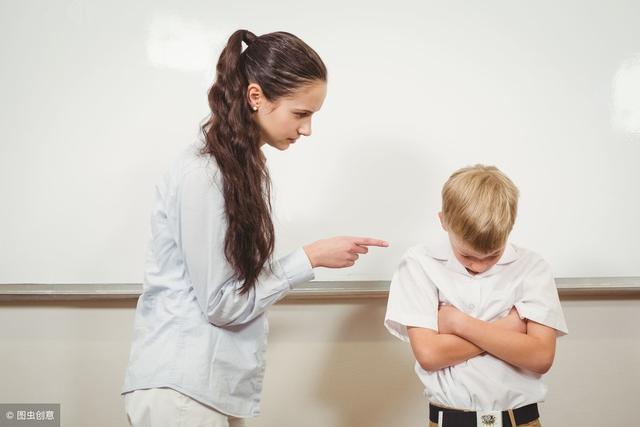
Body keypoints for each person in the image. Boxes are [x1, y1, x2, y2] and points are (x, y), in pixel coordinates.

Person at [122, 29, 388, 427]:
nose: (308, 129)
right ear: (255, 96)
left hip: (205, 389)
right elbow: (222, 304)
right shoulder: (205, 174)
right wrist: (310, 258)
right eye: (301, 113)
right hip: (182, 390)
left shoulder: (237, 169)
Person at [384, 165, 568, 427]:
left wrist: (458, 323)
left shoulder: (532, 267)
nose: (479, 265)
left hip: (520, 421)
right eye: (467, 255)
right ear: (444, 220)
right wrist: (508, 329)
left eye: (492, 255)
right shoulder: (419, 264)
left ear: (511, 226)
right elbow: (430, 355)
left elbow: (540, 357)